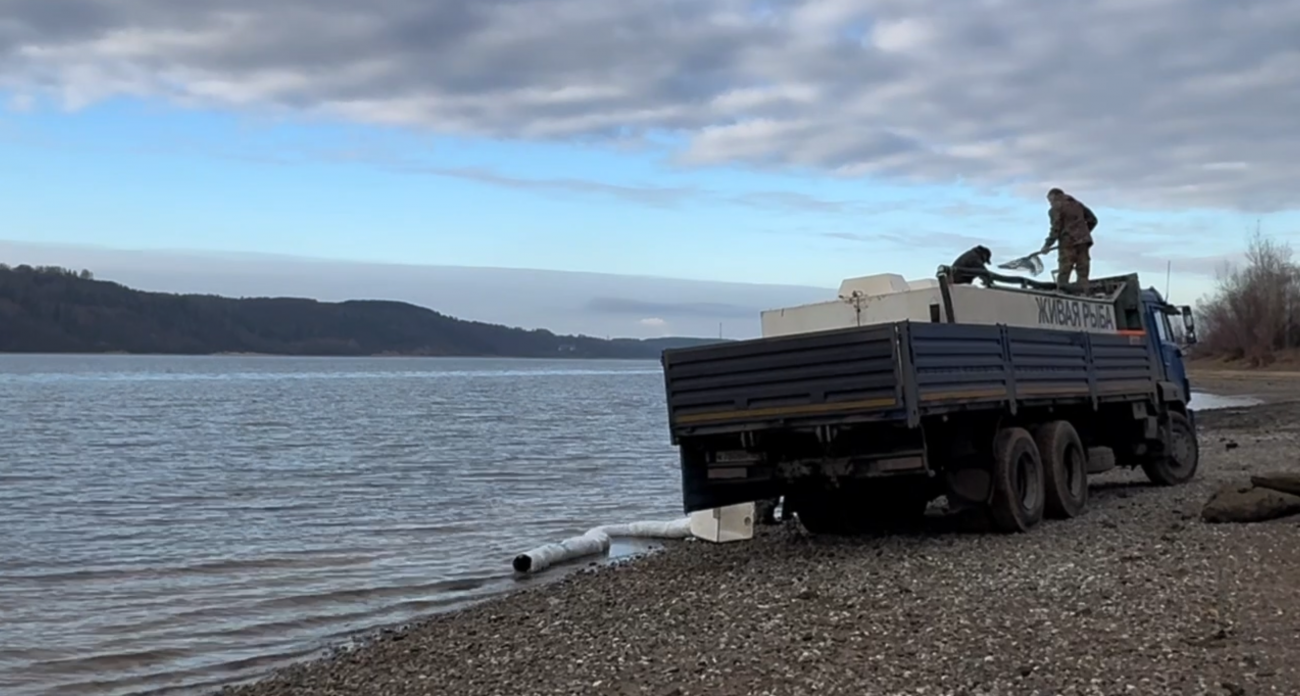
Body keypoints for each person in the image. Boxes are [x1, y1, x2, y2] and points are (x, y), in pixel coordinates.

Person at [1041, 188, 1098, 289]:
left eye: (1050, 200)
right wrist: (1083, 233)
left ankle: (1062, 293)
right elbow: (1093, 220)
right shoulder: (1078, 204)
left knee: (1065, 270)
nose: (1050, 203)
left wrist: (1047, 245)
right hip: (1083, 242)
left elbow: (1056, 228)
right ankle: (1083, 292)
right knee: (1083, 271)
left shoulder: (1056, 208)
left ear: (1054, 197)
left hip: (1067, 243)